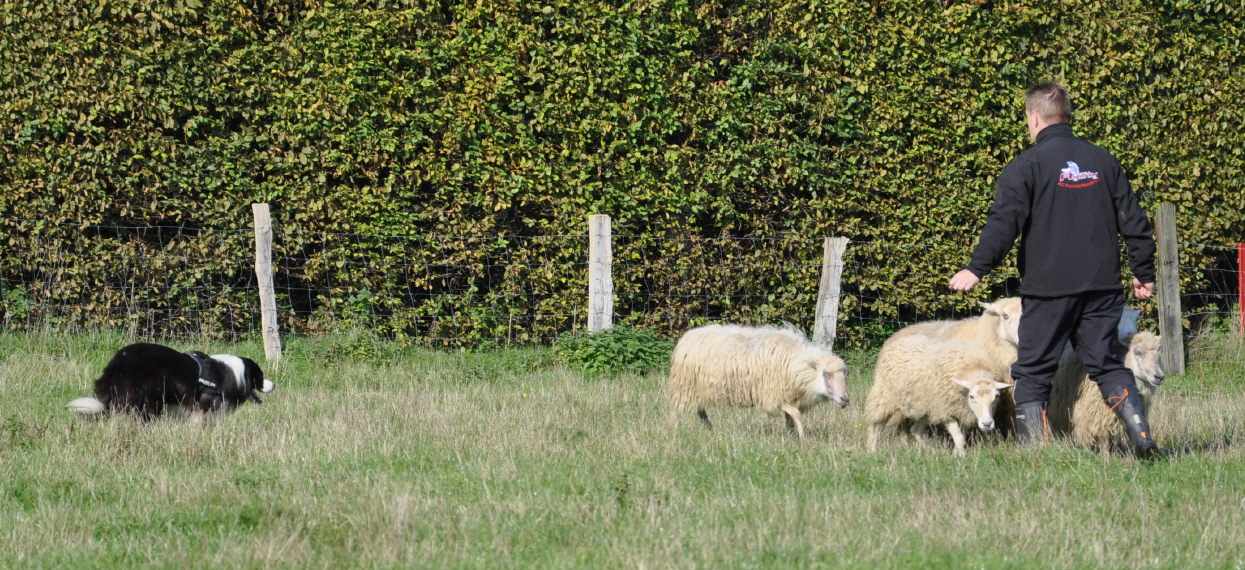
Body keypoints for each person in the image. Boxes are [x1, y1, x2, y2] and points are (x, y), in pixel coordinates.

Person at [947, 82, 1159, 458]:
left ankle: (1035, 457)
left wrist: (977, 267)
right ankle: (1142, 438)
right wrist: (1143, 271)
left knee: (1032, 372)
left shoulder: (1026, 166)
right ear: (1067, 115)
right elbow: (1134, 220)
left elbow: (1004, 222)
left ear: (1034, 118)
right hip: (1101, 288)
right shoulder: (1103, 161)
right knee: (1107, 365)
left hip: (1048, 291)